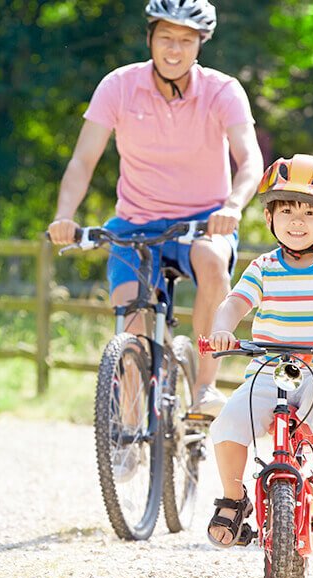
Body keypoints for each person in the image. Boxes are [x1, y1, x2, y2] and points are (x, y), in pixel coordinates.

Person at [45, 0, 263, 416]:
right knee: (130, 314)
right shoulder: (119, 86)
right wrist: (64, 216)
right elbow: (83, 160)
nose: (175, 49)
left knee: (213, 260)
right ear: (150, 38)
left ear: (201, 44)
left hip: (204, 223)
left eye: (186, 40)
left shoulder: (222, 90)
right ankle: (127, 422)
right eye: (166, 37)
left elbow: (250, 159)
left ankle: (204, 388)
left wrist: (233, 206)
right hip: (134, 223)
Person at [204, 154, 313, 547]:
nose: (296, 221)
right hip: (270, 366)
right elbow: (235, 303)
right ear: (269, 217)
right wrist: (221, 330)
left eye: (309, 212)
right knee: (229, 421)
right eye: (285, 210)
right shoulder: (264, 266)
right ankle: (233, 499)